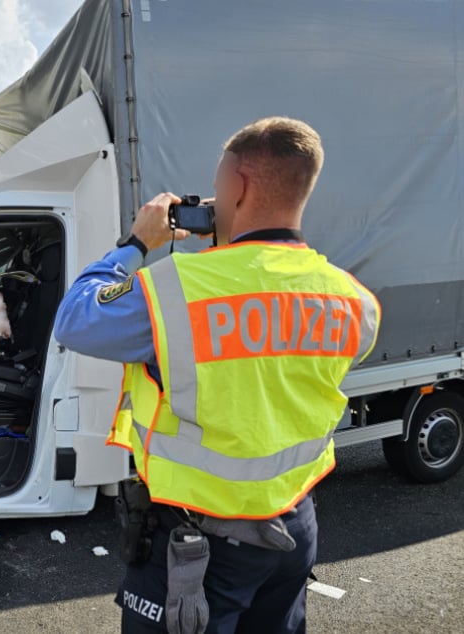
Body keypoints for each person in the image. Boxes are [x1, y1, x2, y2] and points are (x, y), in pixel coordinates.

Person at [54, 117, 381, 633]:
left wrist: (137, 241)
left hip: (199, 545)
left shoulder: (176, 289)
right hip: (293, 529)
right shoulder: (351, 299)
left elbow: (75, 319)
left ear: (238, 185)